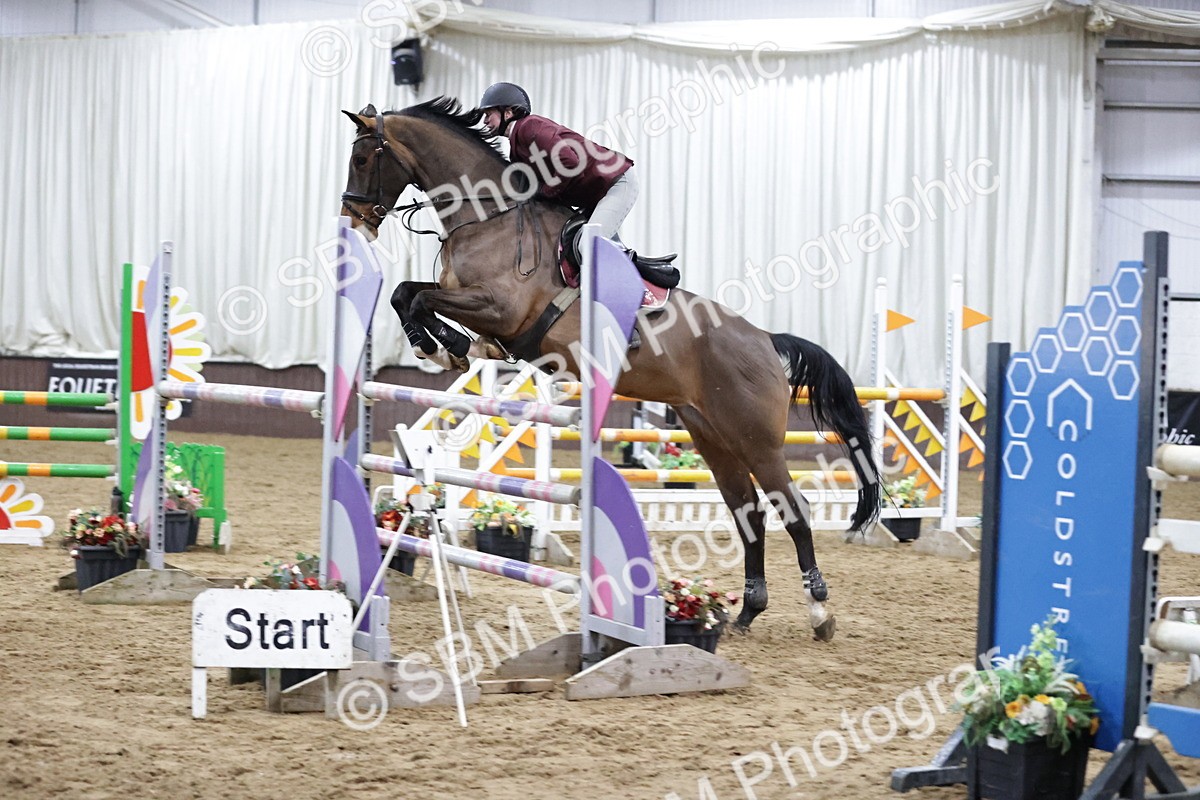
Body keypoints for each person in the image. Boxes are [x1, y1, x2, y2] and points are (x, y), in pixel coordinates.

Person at [479, 82, 637, 241]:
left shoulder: (529, 126)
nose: (485, 121)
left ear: (507, 113)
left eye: (488, 114)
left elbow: (569, 162)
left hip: (616, 182)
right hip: (596, 193)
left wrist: (546, 192)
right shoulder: (516, 149)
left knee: (588, 243)